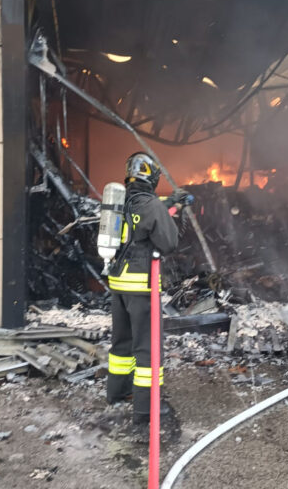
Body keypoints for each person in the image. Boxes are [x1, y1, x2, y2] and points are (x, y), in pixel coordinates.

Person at [106, 152, 179, 425]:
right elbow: (168, 242)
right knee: (147, 349)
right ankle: (146, 408)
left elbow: (140, 219)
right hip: (141, 287)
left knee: (122, 344)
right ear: (152, 177)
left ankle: (117, 393)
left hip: (119, 285)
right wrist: (171, 212)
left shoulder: (120, 201)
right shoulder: (151, 205)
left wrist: (169, 204)